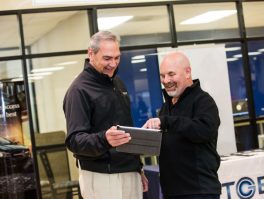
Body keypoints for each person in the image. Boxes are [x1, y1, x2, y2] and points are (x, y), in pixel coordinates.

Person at [63, 30, 148, 199]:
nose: (113, 64)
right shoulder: (78, 90)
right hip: (101, 176)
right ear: (91, 54)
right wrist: (104, 139)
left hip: (129, 171)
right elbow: (74, 141)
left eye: (117, 58)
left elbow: (127, 131)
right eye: (107, 58)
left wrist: (138, 168)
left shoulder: (118, 83)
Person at [143, 52, 221, 199]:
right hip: (171, 192)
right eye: (162, 75)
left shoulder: (203, 101)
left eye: (171, 74)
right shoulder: (167, 106)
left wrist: (167, 122)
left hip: (199, 191)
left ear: (187, 72)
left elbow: (204, 130)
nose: (166, 80)